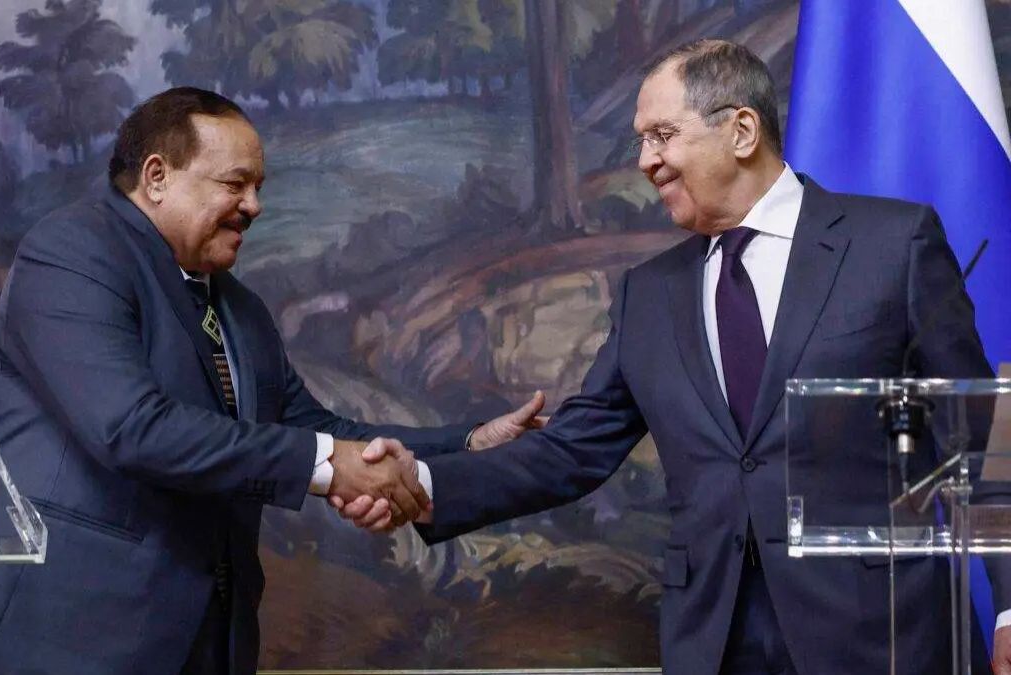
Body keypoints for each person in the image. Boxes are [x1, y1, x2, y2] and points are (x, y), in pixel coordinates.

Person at [339, 40, 1008, 674]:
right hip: (713, 640)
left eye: (662, 135)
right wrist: (425, 485)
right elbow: (572, 449)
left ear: (741, 132)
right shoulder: (649, 295)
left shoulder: (892, 243)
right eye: (640, 141)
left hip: (883, 635)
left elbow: (977, 440)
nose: (644, 160)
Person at [0, 87, 545, 675]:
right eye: (234, 183)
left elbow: (319, 432)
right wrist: (332, 466)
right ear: (156, 176)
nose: (255, 205)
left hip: (203, 642)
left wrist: (465, 446)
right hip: (57, 637)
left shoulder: (239, 308)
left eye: (258, 186)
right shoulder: (72, 252)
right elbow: (131, 428)